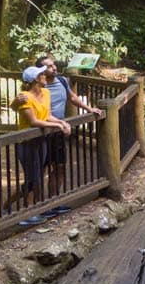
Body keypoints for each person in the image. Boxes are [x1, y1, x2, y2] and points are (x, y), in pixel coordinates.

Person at [4, 65, 72, 212]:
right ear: (36, 79)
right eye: (42, 74)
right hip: (27, 143)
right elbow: (34, 121)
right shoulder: (25, 97)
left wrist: (61, 122)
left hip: (41, 141)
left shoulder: (46, 92)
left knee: (37, 177)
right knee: (33, 178)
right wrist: (57, 126)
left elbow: (47, 115)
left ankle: (16, 206)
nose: (45, 75)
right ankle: (28, 211)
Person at [36, 54, 101, 193]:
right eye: (49, 66)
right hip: (41, 132)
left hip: (58, 131)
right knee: (38, 172)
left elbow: (72, 97)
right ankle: (35, 206)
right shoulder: (38, 87)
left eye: (53, 64)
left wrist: (89, 109)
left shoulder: (62, 80)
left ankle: (54, 202)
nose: (54, 68)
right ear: (40, 71)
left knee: (59, 167)